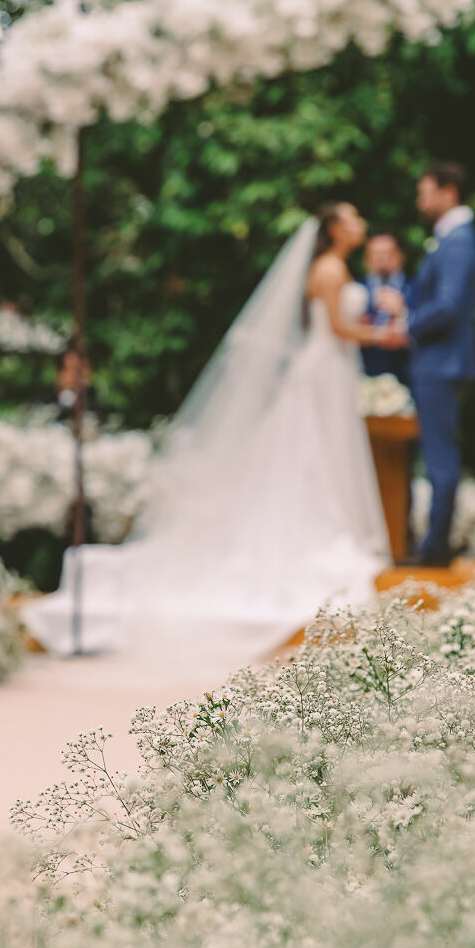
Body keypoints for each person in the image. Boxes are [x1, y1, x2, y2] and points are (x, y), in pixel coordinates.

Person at [24, 202, 392, 667]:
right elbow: (339, 328)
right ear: (336, 229)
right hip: (327, 368)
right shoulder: (333, 268)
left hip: (321, 370)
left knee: (305, 456)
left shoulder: (324, 266)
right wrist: (388, 334)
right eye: (353, 218)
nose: (360, 224)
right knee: (313, 456)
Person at [378, 161, 475, 566]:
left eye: (425, 191)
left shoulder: (457, 240)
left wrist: (407, 322)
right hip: (438, 362)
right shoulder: (450, 237)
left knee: (439, 458)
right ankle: (431, 543)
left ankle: (434, 550)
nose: (420, 200)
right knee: (437, 455)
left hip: (440, 363)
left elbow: (449, 305)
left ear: (448, 192)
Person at [360, 231, 412, 383]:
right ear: (366, 259)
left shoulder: (418, 288)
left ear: (401, 256)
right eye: (375, 254)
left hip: (406, 373)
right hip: (363, 372)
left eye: (388, 253)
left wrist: (402, 312)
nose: (382, 259)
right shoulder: (355, 290)